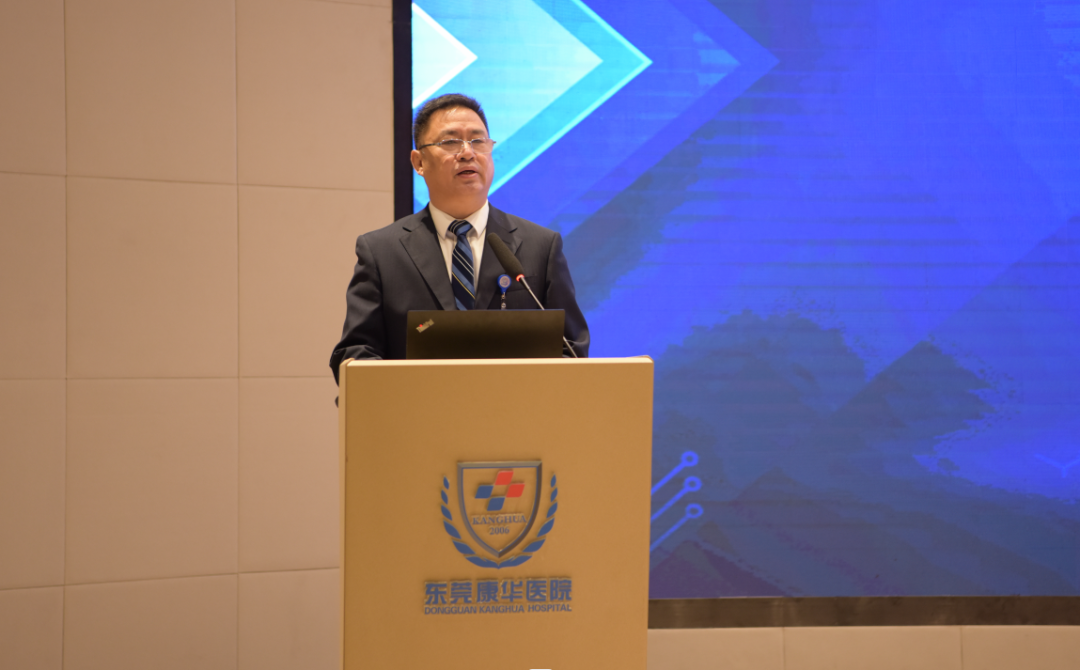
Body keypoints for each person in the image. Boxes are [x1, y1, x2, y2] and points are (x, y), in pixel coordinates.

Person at [329, 93, 589, 382]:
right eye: (451, 142)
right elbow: (356, 352)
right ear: (419, 162)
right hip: (419, 408)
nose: (467, 153)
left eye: (478, 141)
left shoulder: (541, 246)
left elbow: (571, 349)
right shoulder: (382, 252)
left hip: (516, 408)